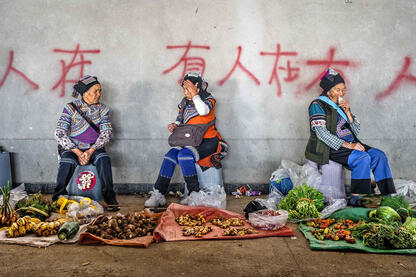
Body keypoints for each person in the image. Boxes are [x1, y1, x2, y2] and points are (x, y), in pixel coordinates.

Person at [305, 68, 395, 207]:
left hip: (352, 143)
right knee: (362, 158)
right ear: (328, 91)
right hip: (331, 147)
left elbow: (356, 130)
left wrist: (347, 112)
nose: (341, 93)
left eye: (343, 89)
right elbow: (321, 133)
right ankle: (355, 198)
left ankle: (388, 196)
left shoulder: (341, 105)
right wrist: (349, 145)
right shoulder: (317, 105)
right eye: (337, 90)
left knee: (379, 155)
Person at [145, 72, 228, 208]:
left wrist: (194, 94)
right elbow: (180, 119)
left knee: (184, 155)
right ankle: (159, 193)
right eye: (183, 88)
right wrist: (175, 125)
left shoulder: (208, 99)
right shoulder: (184, 102)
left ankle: (194, 194)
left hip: (208, 141)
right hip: (190, 140)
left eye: (187, 88)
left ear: (197, 86)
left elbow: (203, 111)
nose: (185, 92)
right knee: (170, 155)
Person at [53, 75, 119, 211]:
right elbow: (59, 132)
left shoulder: (103, 109)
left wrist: (90, 151)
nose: (99, 94)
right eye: (96, 91)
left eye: (100, 91)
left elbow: (106, 133)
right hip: (73, 148)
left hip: (94, 148)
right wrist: (77, 152)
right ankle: (58, 196)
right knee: (67, 161)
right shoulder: (70, 108)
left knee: (103, 159)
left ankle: (109, 197)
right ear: (85, 93)